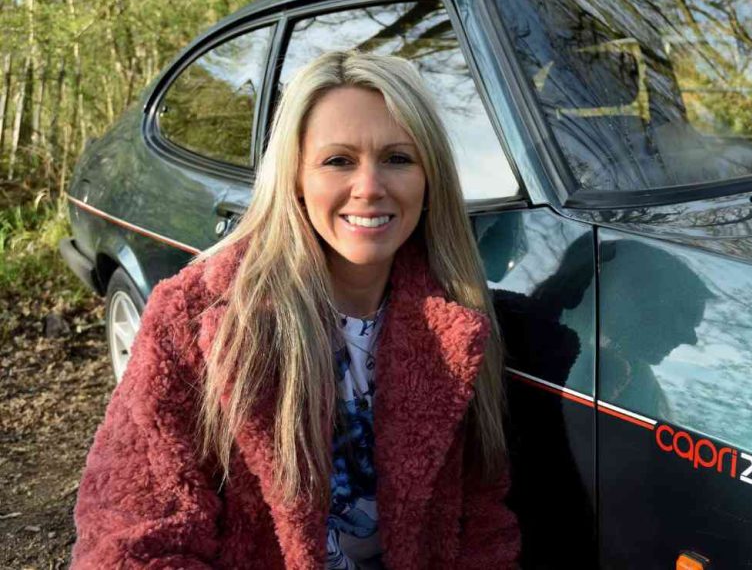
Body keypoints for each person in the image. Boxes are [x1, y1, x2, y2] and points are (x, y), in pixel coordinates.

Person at [71, 51, 520, 569]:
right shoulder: (195, 318)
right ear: (295, 179)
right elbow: (129, 539)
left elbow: (480, 519)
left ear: (429, 177)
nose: (370, 187)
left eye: (398, 158)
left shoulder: (458, 320)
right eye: (338, 161)